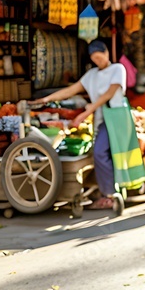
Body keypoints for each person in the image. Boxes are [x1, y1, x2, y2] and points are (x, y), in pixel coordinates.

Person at [31, 41, 126, 209]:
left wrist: (85, 113)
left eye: (99, 56)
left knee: (100, 153)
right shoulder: (91, 75)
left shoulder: (118, 69)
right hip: (102, 120)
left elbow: (108, 95)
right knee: (105, 155)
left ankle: (109, 195)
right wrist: (45, 100)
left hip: (116, 119)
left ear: (106, 53)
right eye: (94, 58)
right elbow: (70, 90)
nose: (98, 61)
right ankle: (110, 192)